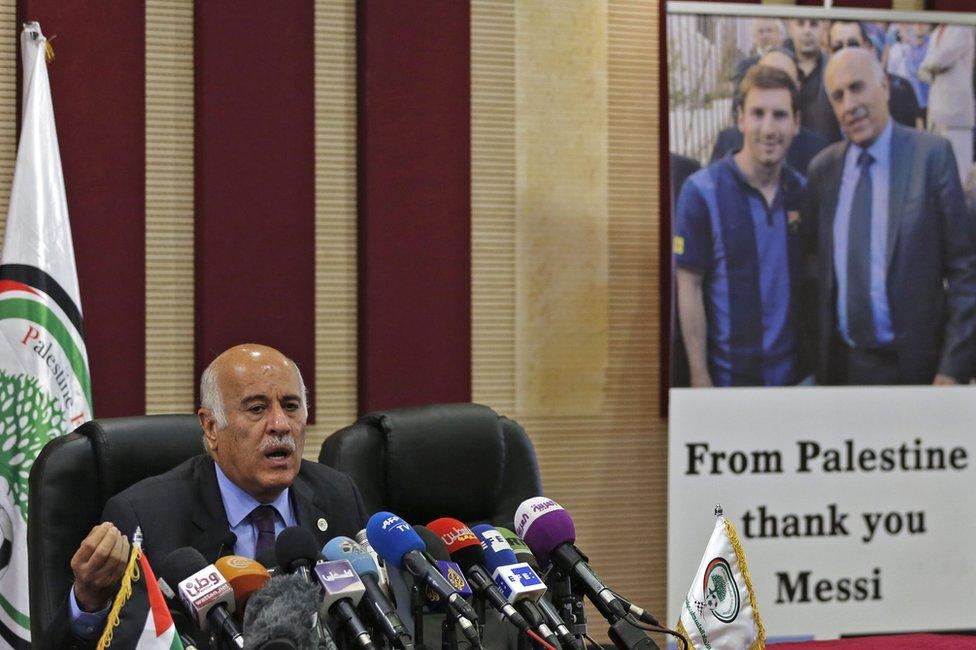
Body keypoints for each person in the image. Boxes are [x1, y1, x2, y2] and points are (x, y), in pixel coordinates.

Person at [46, 343, 369, 649]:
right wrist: (90, 600)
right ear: (212, 427)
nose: (280, 424)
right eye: (257, 409)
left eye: (291, 406)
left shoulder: (336, 494)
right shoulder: (144, 516)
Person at [807, 48, 976, 385]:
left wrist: (952, 367)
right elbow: (815, 272)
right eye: (838, 96)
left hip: (919, 372)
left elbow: (965, 270)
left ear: (883, 86)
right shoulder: (822, 171)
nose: (849, 105)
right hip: (844, 371)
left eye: (857, 87)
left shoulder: (931, 157)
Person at [674, 65, 808, 387]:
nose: (768, 128)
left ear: (796, 123)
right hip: (727, 384)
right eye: (757, 113)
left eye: (779, 115)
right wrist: (699, 375)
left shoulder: (802, 192)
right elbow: (688, 285)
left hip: (795, 384)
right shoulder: (701, 192)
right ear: (740, 119)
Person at [711, 49, 829, 176]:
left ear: (797, 87)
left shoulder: (816, 149)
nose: (772, 87)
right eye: (765, 77)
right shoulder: (728, 140)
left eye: (783, 81)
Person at [828, 20, 922, 129]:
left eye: (853, 45)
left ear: (869, 48)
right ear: (829, 53)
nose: (846, 53)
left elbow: (915, 140)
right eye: (838, 48)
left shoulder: (900, 89)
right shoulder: (822, 98)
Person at [919, 24, 975, 183]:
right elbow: (922, 72)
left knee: (959, 169)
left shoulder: (962, 27)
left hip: (956, 113)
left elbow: (941, 59)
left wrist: (928, 66)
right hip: (936, 113)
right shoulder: (936, 32)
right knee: (937, 168)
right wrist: (928, 67)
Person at [786, 18, 842, 143]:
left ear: (824, 29)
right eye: (800, 24)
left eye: (814, 24)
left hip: (827, 155)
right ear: (791, 29)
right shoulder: (781, 69)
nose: (807, 31)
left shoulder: (837, 70)